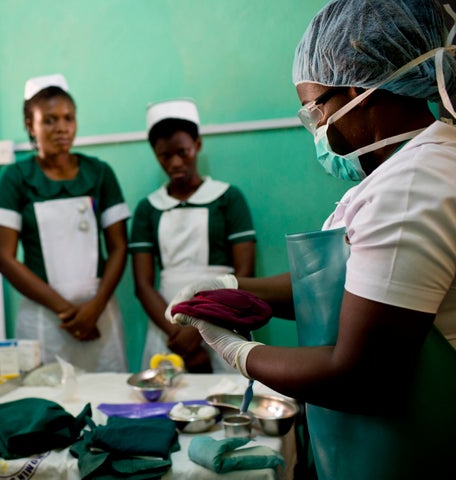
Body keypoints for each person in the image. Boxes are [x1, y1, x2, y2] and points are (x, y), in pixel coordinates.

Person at [168, 1, 456, 479]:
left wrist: (239, 353)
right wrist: (231, 285)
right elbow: (341, 287)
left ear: (354, 90)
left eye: (313, 109)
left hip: (412, 447)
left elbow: (362, 377)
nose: (316, 128)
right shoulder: (401, 175)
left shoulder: (412, 186)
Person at [0, 74, 130, 372]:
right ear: (30, 125)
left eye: (68, 118)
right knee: (47, 401)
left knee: (110, 400)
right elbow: (4, 257)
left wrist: (95, 308)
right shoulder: (15, 179)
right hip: (44, 316)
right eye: (49, 120)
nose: (61, 128)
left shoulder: (100, 173)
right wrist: (67, 311)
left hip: (99, 310)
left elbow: (119, 247)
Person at [130, 99, 255, 373]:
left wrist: (197, 332)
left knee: (228, 401)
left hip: (223, 321)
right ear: (155, 153)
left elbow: (245, 273)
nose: (175, 162)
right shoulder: (148, 208)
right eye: (165, 156)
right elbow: (143, 285)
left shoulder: (227, 198)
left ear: (197, 145)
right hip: (168, 330)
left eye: (183, 152)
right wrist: (178, 334)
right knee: (167, 400)